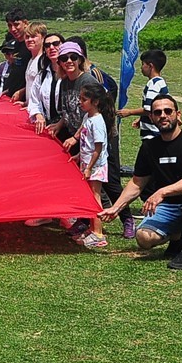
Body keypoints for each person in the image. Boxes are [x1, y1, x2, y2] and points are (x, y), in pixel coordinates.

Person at [100, 95, 182, 270]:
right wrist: (115, 207)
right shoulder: (149, 147)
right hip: (170, 209)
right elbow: (137, 183)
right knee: (143, 238)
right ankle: (177, 237)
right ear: (151, 118)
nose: (163, 115)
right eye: (157, 112)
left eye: (168, 111)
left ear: (178, 114)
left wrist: (161, 192)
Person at [65, 82, 115, 248]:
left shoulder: (98, 122)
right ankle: (92, 228)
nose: (80, 102)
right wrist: (79, 156)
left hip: (96, 166)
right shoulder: (88, 117)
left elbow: (98, 148)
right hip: (88, 163)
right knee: (89, 195)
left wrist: (88, 167)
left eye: (84, 99)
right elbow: (87, 143)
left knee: (95, 196)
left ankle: (98, 234)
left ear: (95, 102)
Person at [118, 48, 169, 142]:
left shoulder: (153, 85)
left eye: (143, 64)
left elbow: (148, 109)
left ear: (150, 66)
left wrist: (129, 112)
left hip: (152, 134)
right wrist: (142, 119)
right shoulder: (160, 82)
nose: (141, 68)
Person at [26, 30, 63, 134]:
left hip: (68, 129)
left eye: (55, 44)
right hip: (49, 127)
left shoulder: (70, 74)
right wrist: (38, 115)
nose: (51, 48)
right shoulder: (42, 75)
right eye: (47, 45)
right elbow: (34, 100)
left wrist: (60, 123)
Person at [1, 8, 31, 100]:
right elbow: (16, 71)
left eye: (16, 25)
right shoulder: (17, 44)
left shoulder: (31, 46)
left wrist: (23, 91)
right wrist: (2, 92)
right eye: (10, 25)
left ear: (26, 23)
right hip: (12, 95)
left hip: (26, 98)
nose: (13, 29)